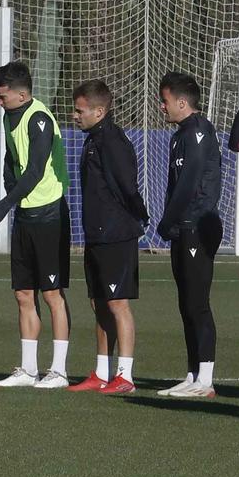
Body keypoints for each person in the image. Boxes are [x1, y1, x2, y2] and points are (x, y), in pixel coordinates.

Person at [0, 61, 73, 390]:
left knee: (52, 294)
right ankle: (29, 369)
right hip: (25, 214)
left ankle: (59, 371)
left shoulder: (39, 119)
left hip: (49, 215)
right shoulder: (9, 116)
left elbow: (35, 171)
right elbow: (11, 159)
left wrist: (3, 206)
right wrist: (10, 195)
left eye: (2, 96)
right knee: (23, 294)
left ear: (22, 94)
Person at [70, 80, 146, 396]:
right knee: (98, 302)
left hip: (116, 235)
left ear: (100, 111)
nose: (75, 116)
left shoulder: (112, 141)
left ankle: (125, 375)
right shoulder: (92, 140)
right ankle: (102, 371)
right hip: (97, 234)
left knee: (117, 303)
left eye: (80, 110)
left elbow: (127, 186)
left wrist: (136, 216)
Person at [154, 71, 221, 398]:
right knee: (186, 304)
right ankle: (193, 373)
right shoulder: (179, 135)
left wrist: (167, 220)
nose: (161, 106)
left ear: (182, 102)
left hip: (198, 226)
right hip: (182, 227)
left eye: (165, 101)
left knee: (198, 303)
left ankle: (205, 380)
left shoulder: (199, 132)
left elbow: (190, 183)